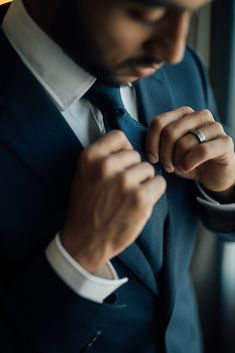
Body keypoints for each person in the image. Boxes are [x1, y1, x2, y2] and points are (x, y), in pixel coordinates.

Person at [0, 0, 235, 352]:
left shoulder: (184, 68)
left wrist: (227, 189)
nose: (173, 50)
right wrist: (78, 256)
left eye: (191, 12)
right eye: (147, 13)